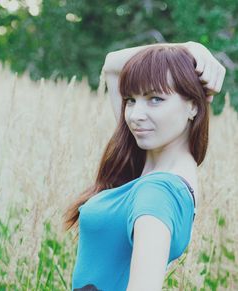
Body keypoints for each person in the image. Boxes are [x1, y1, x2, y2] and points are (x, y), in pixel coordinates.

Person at [63, 41, 226, 291]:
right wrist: (187, 47)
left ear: (193, 105)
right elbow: (113, 64)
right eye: (130, 100)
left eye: (155, 99)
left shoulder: (159, 192)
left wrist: (182, 52)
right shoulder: (149, 159)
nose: (135, 115)